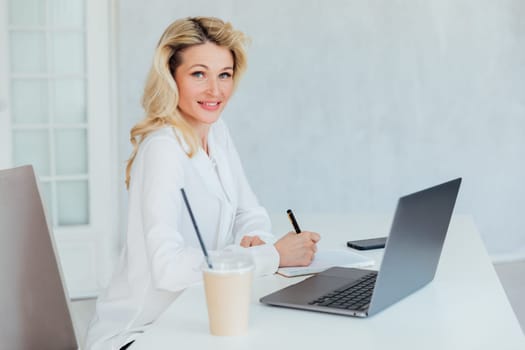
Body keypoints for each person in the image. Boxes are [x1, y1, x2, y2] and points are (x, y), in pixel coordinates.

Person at [85, 16, 321, 350]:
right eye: (199, 74)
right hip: (142, 333)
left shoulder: (217, 131)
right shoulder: (163, 149)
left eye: (224, 75)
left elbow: (248, 212)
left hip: (196, 315)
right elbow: (168, 268)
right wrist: (270, 256)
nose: (215, 90)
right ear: (171, 76)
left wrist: (256, 242)